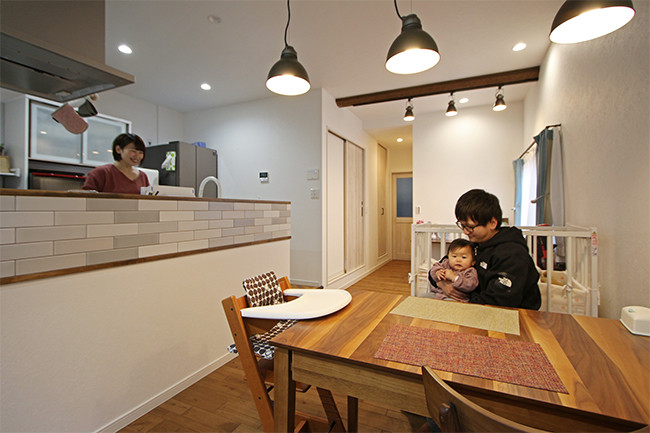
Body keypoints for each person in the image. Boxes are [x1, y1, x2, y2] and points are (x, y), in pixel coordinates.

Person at [437, 189, 541, 310]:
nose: (465, 232)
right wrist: (440, 282)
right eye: (462, 225)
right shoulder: (477, 244)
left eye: (470, 227)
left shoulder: (512, 255)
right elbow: (443, 264)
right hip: (476, 305)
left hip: (511, 313)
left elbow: (499, 301)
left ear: (492, 223)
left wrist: (463, 297)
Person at [82, 133, 149, 194]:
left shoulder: (143, 176)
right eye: (133, 151)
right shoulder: (101, 173)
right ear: (118, 149)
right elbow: (85, 199)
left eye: (141, 153)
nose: (137, 156)